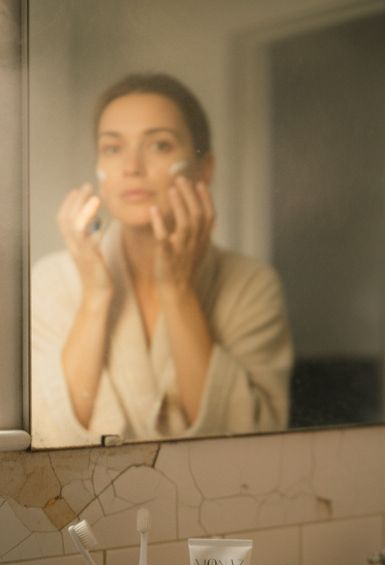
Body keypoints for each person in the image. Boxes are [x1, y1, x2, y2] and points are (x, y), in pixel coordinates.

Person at [31, 73, 292, 447]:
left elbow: (251, 442)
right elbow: (47, 438)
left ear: (205, 169)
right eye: (113, 148)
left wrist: (178, 292)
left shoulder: (250, 283)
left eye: (159, 145)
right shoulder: (52, 280)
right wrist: (94, 297)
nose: (132, 167)